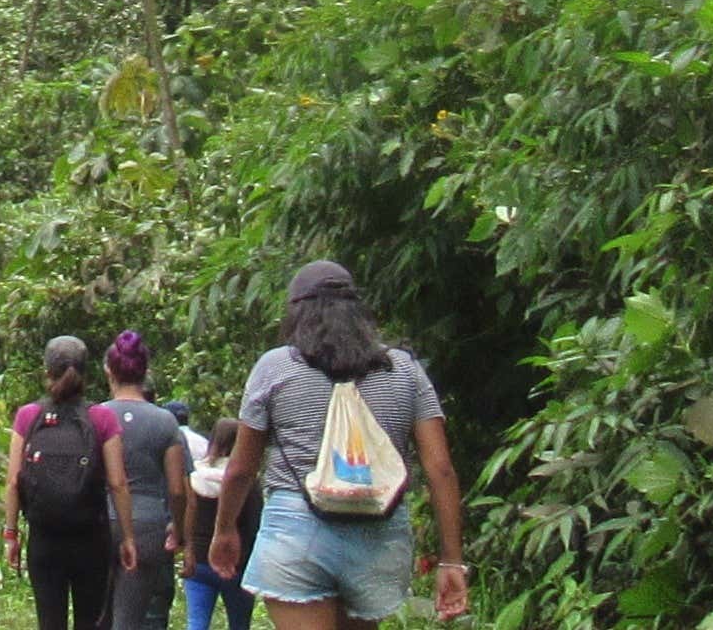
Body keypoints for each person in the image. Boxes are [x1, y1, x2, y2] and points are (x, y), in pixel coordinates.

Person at [206, 261, 468, 628]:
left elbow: (242, 468)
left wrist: (225, 529)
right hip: (378, 534)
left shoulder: (276, 367)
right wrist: (451, 560)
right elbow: (440, 469)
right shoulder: (405, 370)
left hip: (297, 532)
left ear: (296, 311)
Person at [9, 335, 141, 630]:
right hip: (91, 538)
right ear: (86, 373)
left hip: (44, 538)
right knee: (92, 620)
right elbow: (118, 483)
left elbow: (13, 482)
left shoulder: (28, 417)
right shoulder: (102, 418)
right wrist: (128, 537)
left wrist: (11, 534)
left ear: (46, 372)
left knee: (50, 621)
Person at [105, 332, 193, 630]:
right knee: (129, 619)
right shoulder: (165, 422)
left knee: (95, 615)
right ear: (145, 372)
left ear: (109, 370)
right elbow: (178, 490)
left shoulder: (96, 417)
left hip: (98, 522)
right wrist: (179, 531)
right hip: (147, 526)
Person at [182, 419, 261, 630]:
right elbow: (254, 526)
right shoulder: (246, 482)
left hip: (198, 561)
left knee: (196, 623)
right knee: (239, 624)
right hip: (236, 565)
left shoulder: (194, 476)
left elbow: (184, 518)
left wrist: (187, 551)